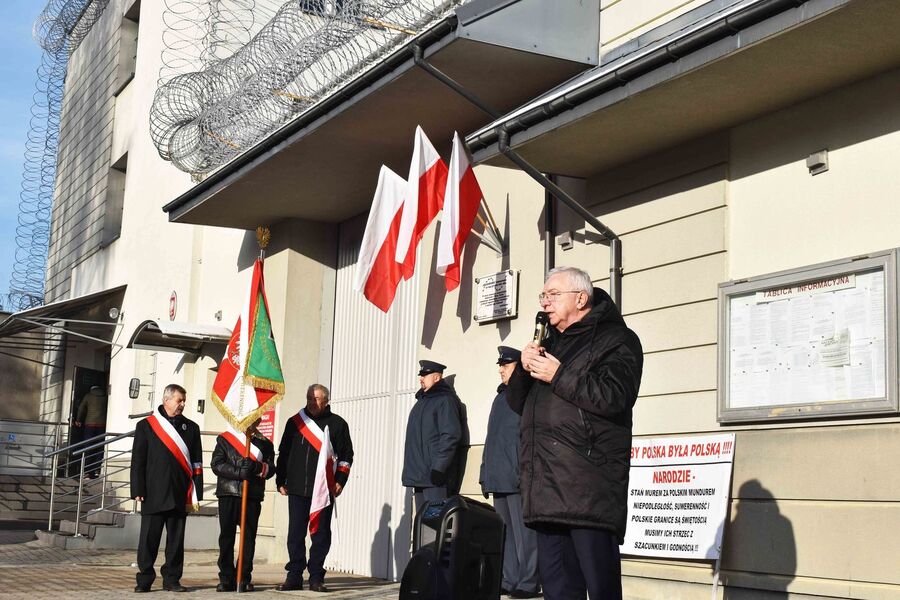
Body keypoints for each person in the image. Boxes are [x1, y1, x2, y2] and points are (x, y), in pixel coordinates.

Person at [508, 266, 643, 600]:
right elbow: (517, 404)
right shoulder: (551, 343)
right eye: (543, 295)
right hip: (547, 491)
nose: (545, 302)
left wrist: (558, 373)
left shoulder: (618, 339)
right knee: (558, 591)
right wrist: (525, 370)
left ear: (581, 298)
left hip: (588, 491)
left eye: (553, 294)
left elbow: (615, 397)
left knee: (600, 589)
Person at [276, 384, 354, 593]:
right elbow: (283, 453)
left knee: (320, 536)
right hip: (297, 489)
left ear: (326, 400)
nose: (312, 401)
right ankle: (294, 576)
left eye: (317, 398)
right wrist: (280, 480)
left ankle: (316, 577)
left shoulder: (338, 424)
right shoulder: (294, 423)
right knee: (295, 535)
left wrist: (340, 480)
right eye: (310, 397)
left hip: (323, 490)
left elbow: (346, 456)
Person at [130, 384, 203, 593]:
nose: (182, 404)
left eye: (184, 400)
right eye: (179, 400)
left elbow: (196, 463)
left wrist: (197, 490)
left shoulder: (192, 428)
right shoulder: (146, 426)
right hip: (153, 493)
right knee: (148, 541)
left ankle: (172, 579)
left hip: (180, 493)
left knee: (176, 542)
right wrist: (137, 489)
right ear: (166, 400)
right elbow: (138, 461)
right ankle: (144, 579)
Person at [479, 346, 540, 599]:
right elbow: (492, 439)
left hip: (517, 477)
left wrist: (522, 471)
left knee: (526, 536)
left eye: (506, 365)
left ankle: (528, 582)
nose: (501, 369)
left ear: (519, 368)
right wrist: (485, 473)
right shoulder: (498, 398)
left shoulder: (525, 394)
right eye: (500, 365)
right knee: (505, 535)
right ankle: (509, 578)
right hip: (498, 476)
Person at [211, 418, 276, 592]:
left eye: (254, 418)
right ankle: (226, 578)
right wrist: (239, 472)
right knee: (227, 537)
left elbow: (270, 469)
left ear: (259, 420)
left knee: (248, 538)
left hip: (252, 495)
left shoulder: (265, 444)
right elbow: (216, 465)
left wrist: (256, 467)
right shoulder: (225, 439)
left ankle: (243, 577)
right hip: (228, 493)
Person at [402, 360, 464, 513]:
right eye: (420, 375)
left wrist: (439, 468)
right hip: (420, 476)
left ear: (437, 378)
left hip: (435, 477)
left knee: (435, 525)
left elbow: (451, 435)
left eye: (425, 374)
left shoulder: (445, 400)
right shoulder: (421, 402)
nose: (421, 378)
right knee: (423, 527)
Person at [75, 385, 108, 478]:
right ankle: (97, 469)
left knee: (88, 447)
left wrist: (78, 420)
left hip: (90, 425)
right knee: (100, 448)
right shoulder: (105, 397)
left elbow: (81, 408)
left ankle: (86, 471)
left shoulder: (88, 396)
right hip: (102, 425)